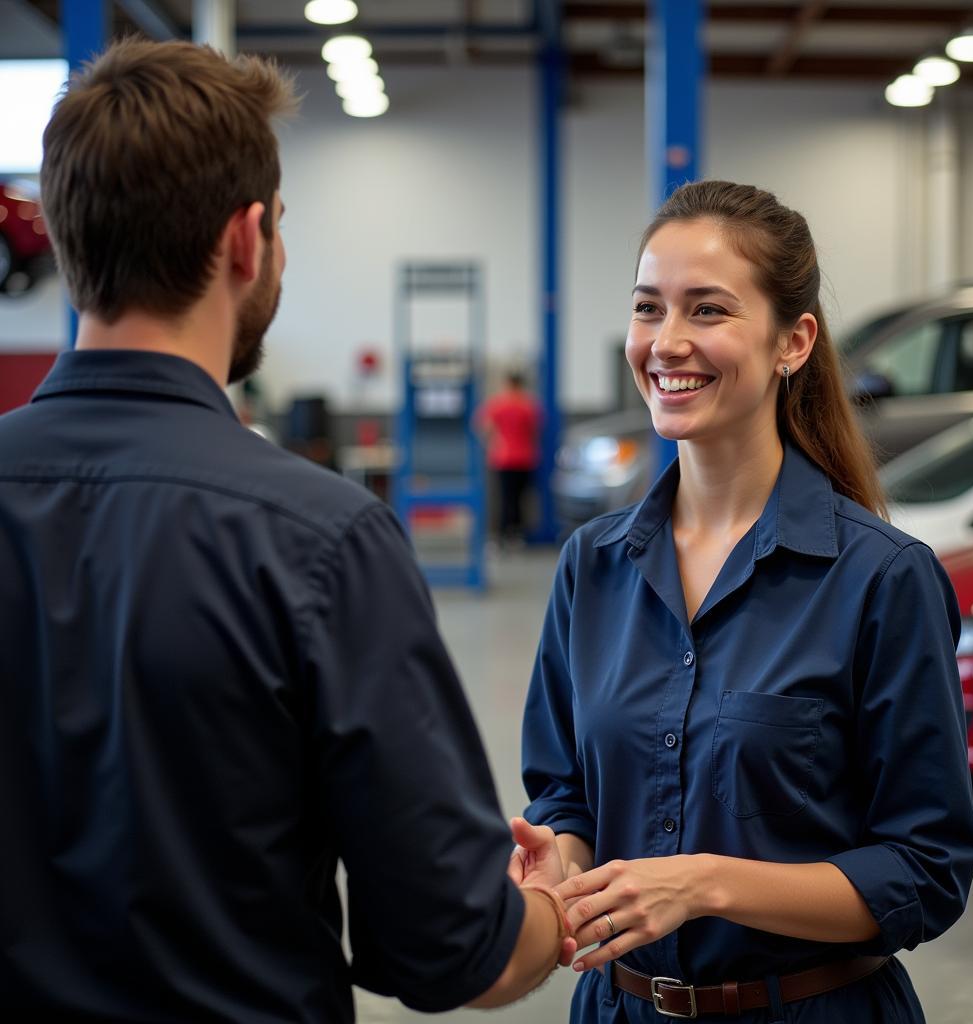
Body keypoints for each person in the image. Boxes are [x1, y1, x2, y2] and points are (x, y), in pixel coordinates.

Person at [0, 40, 576, 1019]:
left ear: (66, 233)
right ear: (247, 237)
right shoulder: (320, 540)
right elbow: (449, 948)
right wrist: (554, 904)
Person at [513, 180, 973, 1022]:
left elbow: (925, 870)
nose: (667, 342)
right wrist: (561, 860)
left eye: (708, 310)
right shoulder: (593, 566)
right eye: (649, 308)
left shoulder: (881, 578)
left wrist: (705, 885)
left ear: (791, 341)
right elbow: (567, 797)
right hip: (618, 1008)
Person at [475, 369, 542, 543]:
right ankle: (518, 534)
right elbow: (536, 430)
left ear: (508, 383)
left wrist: (494, 442)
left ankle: (503, 535)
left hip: (503, 458)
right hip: (526, 458)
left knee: (504, 498)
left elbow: (484, 428)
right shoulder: (529, 405)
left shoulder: (497, 404)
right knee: (521, 498)